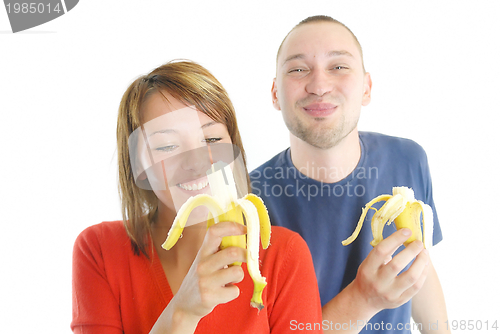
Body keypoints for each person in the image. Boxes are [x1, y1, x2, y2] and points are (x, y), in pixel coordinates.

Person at [71, 60, 323, 333]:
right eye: (167, 145)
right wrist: (182, 313)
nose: (196, 162)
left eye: (212, 139)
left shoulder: (284, 255)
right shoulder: (99, 250)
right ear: (139, 166)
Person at [250, 16, 450, 333]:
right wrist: (364, 299)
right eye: (298, 69)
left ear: (366, 88)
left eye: (339, 67)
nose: (319, 86)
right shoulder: (249, 203)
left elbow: (417, 268)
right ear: (275, 93)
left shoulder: (408, 160)